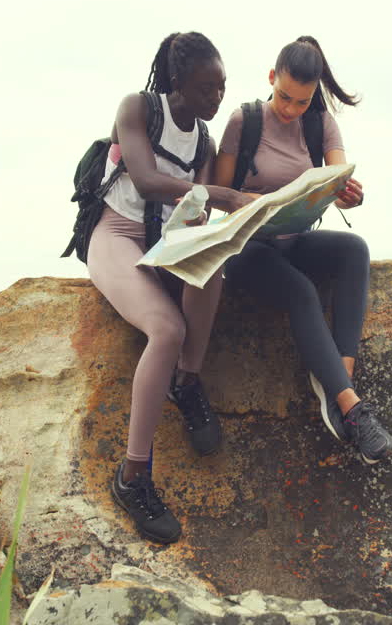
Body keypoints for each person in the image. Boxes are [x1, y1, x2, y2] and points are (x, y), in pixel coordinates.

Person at [90, 32, 251, 544]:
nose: (216, 98)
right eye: (207, 88)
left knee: (212, 266)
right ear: (178, 81)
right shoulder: (138, 109)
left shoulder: (203, 141)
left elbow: (194, 209)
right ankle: (132, 476)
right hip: (117, 235)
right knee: (166, 329)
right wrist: (224, 195)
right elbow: (144, 180)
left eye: (222, 87)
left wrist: (210, 218)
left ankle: (187, 380)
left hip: (163, 242)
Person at [212, 35, 392, 464]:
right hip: (248, 250)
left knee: (354, 249)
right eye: (284, 96)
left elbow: (337, 180)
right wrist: (251, 202)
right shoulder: (244, 121)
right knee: (301, 291)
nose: (291, 109)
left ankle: (338, 388)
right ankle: (352, 409)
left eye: (302, 101)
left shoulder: (320, 124)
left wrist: (349, 196)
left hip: (294, 238)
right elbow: (218, 194)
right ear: (271, 78)